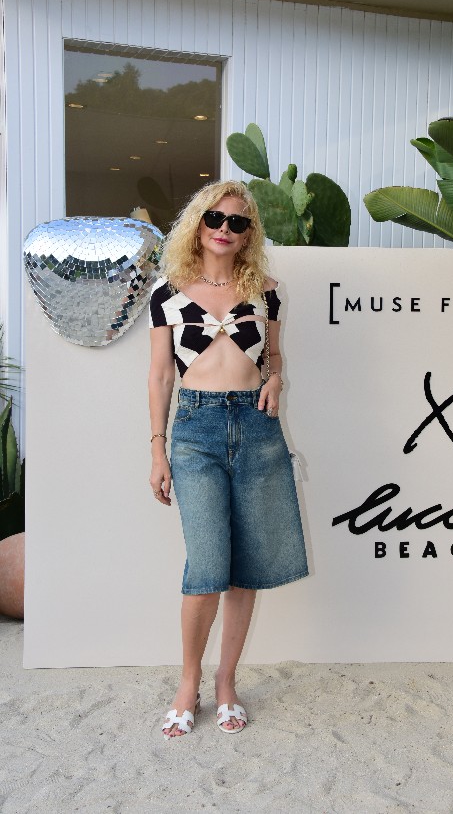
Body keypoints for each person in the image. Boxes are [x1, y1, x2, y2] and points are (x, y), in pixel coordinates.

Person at [148, 179, 308, 739]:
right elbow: (161, 375)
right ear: (198, 224)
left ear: (248, 233)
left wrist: (276, 379)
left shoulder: (266, 291)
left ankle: (225, 682)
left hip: (257, 429)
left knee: (247, 565)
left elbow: (274, 355)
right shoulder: (168, 292)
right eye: (214, 218)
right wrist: (157, 448)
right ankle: (188, 682)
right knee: (206, 563)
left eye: (237, 221)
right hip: (195, 431)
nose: (224, 228)